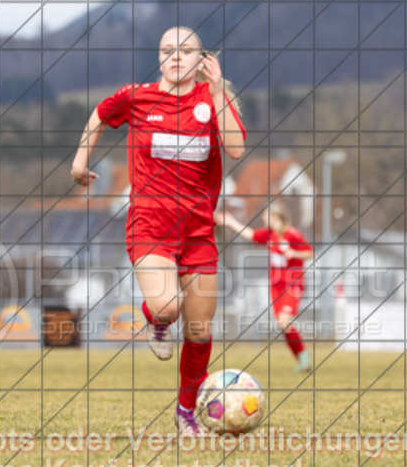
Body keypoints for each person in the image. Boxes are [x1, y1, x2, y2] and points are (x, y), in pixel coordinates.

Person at [71, 26, 245, 435]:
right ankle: (158, 320)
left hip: (199, 232)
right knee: (168, 306)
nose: (175, 57)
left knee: (200, 331)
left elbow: (236, 148)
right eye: (168, 50)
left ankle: (186, 412)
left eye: (185, 51)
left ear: (201, 60)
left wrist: (218, 92)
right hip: (150, 226)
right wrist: (80, 162)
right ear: (160, 56)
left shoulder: (212, 100)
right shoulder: (138, 96)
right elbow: (98, 113)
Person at [216, 202, 314, 371]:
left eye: (266, 215)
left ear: (275, 217)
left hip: (292, 283)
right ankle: (302, 358)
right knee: (282, 324)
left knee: (284, 322)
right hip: (276, 285)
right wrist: (231, 222)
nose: (263, 218)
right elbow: (251, 234)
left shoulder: (292, 235)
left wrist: (294, 253)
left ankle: (304, 358)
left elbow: (309, 252)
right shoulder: (269, 234)